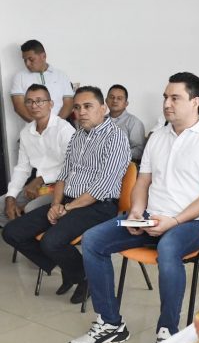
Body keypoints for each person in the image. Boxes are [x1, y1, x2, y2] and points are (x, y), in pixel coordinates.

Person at [68, 72, 199, 343]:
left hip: (195, 222)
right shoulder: (158, 136)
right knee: (93, 240)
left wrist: (174, 221)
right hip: (151, 216)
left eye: (174, 98)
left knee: (168, 247)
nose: (166, 103)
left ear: (195, 101)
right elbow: (142, 181)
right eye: (165, 97)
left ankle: (167, 330)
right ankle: (110, 324)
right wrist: (136, 213)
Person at [2, 86, 130, 304]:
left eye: (88, 106)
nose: (81, 112)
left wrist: (66, 209)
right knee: (12, 232)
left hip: (100, 206)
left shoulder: (115, 138)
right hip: (69, 201)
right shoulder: (79, 135)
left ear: (103, 108)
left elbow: (101, 187)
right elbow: (63, 175)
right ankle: (74, 271)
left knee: (51, 242)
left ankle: (81, 276)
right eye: (78, 107)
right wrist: (56, 204)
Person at [0, 84, 74, 227]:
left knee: (30, 210)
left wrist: (40, 179)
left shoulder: (64, 129)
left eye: (39, 101)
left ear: (50, 104)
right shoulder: (26, 133)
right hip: (37, 188)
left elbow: (71, 166)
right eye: (29, 101)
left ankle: (28, 234)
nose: (34, 105)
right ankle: (22, 235)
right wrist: (11, 197)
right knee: (3, 207)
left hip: (62, 188)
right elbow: (22, 169)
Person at [10, 40, 74, 122]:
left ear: (43, 56)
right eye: (25, 60)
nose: (27, 64)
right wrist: (39, 125)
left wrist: (56, 124)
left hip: (60, 127)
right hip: (33, 129)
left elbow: (68, 103)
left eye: (31, 59)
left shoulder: (61, 75)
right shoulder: (19, 77)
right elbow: (19, 106)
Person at [106, 84, 146, 161]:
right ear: (106, 101)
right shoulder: (100, 121)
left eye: (119, 98)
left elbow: (139, 151)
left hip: (123, 166)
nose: (115, 100)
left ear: (126, 103)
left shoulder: (134, 123)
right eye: (112, 97)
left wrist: (116, 155)